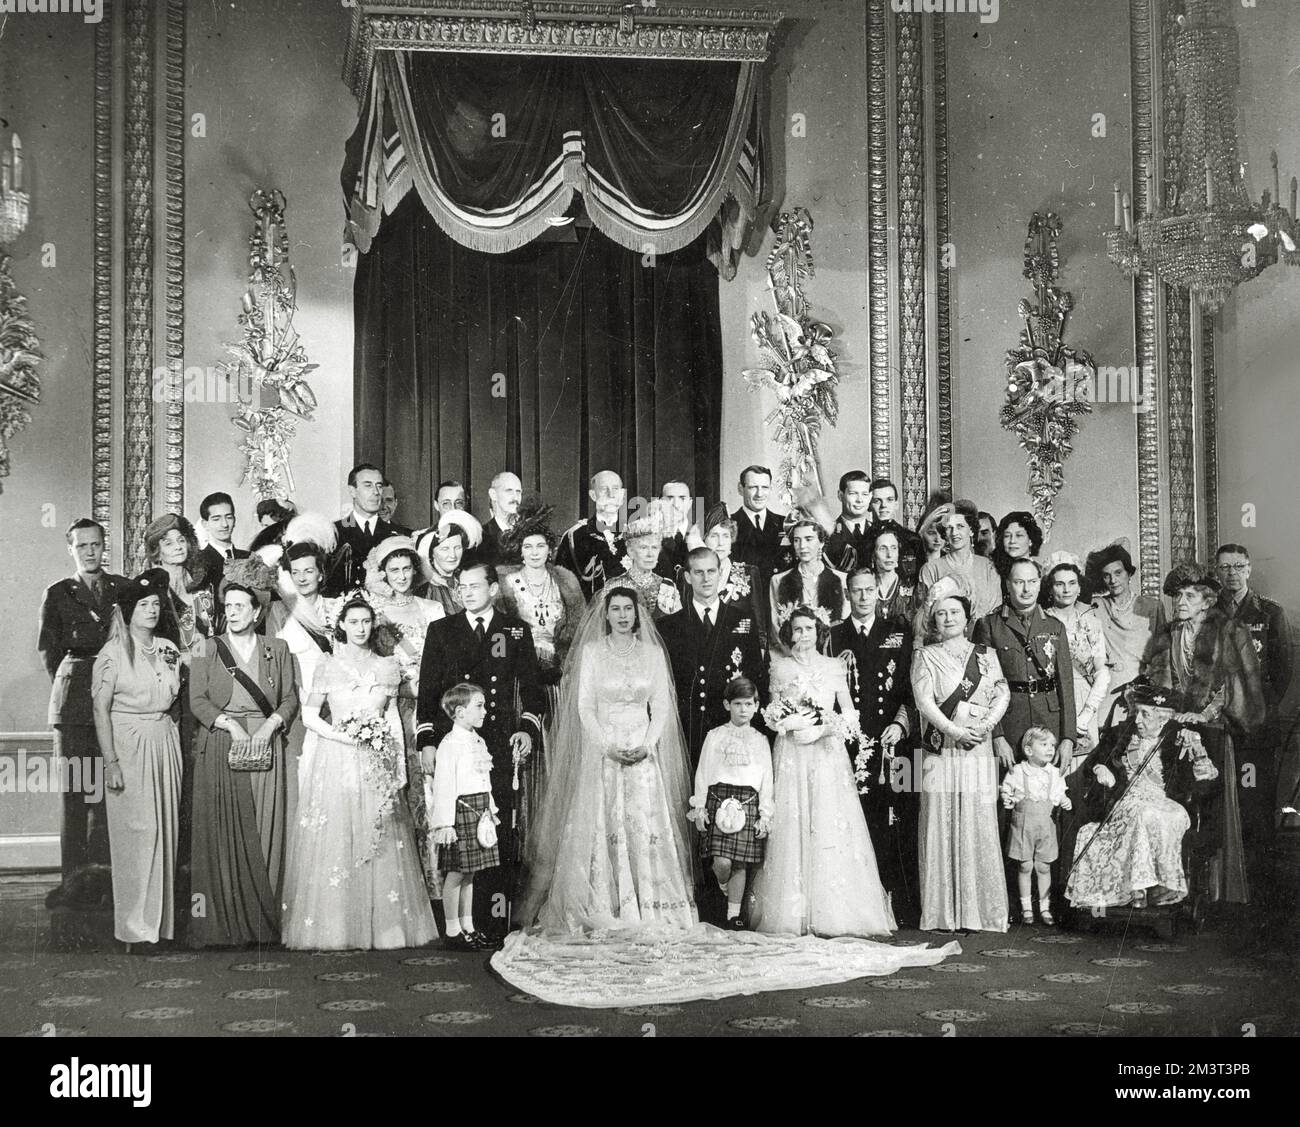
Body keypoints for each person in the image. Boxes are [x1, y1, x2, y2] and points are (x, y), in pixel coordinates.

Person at [518, 587, 698, 932]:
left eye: (627, 609)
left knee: (642, 825)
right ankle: (607, 903)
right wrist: (605, 746)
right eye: (615, 609)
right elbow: (585, 705)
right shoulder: (592, 652)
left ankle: (649, 905)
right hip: (604, 754)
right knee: (604, 823)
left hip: (643, 754)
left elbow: (660, 705)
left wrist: (648, 744)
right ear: (606, 614)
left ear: (637, 613)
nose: (622, 615)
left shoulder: (653, 654)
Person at [281, 593, 437, 950]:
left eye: (366, 621)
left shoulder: (387, 666)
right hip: (337, 759)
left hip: (377, 759)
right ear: (341, 626)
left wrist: (397, 765)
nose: (361, 628)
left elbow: (394, 719)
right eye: (353, 622)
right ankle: (335, 928)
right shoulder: (327, 664)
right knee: (337, 837)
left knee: (378, 835)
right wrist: (343, 737)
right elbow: (309, 716)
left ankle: (384, 929)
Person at [749, 607, 896, 937]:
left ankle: (834, 911)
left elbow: (850, 717)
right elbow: (772, 713)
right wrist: (788, 724)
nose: (803, 635)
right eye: (797, 629)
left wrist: (821, 730)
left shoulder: (833, 667)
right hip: (791, 755)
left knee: (829, 823)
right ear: (789, 633)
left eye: (809, 629)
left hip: (826, 755)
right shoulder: (780, 667)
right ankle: (792, 911)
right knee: (792, 824)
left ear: (820, 633)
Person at [415, 562, 546, 928]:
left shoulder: (515, 631)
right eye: (462, 587)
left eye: (475, 586)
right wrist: (427, 741)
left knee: (496, 831)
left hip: (497, 747)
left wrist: (526, 730)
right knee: (459, 831)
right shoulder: (442, 630)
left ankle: (494, 919)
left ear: (493, 589)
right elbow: (428, 694)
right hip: (455, 746)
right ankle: (458, 923)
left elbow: (533, 692)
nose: (467, 592)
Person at [187, 561, 298, 947]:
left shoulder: (277, 648)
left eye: (239, 606)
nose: (231, 613)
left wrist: (269, 728)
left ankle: (264, 922)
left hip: (268, 745)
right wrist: (231, 726)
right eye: (227, 606)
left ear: (256, 611)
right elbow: (197, 700)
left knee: (268, 828)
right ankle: (225, 926)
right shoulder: (206, 647)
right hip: (222, 744)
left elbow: (289, 699)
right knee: (221, 835)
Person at [1145, 562, 1264, 905]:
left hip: (1212, 729)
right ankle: (1174, 884)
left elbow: (1233, 686)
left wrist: (1201, 714)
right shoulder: (1169, 633)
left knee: (1211, 807)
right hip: (1175, 730)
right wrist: (1172, 715)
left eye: (1189, 595)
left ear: (1207, 600)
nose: (1181, 600)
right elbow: (1160, 681)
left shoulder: (1229, 630)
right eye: (1178, 595)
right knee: (1178, 804)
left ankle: (1212, 891)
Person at [911, 576, 1010, 933]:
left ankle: (977, 911)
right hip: (943, 750)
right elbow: (924, 703)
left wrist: (983, 729)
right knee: (941, 821)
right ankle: (944, 913)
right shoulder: (924, 656)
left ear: (967, 617)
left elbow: (1002, 693)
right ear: (933, 620)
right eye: (941, 613)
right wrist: (955, 732)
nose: (949, 618)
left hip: (977, 748)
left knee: (976, 821)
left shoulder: (986, 655)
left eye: (955, 612)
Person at [92, 570, 184, 948]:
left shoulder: (168, 648)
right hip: (128, 744)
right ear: (127, 610)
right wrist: (110, 761)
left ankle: (160, 927)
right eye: (143, 605)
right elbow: (100, 710)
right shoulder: (112, 653)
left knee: (166, 831)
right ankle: (133, 928)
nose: (151, 610)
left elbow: (176, 700)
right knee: (137, 835)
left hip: (166, 740)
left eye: (156, 605)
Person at [38, 519, 126, 909]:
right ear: (70, 549)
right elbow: (50, 653)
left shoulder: (120, 589)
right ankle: (73, 886)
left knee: (108, 798)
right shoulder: (58, 594)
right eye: (82, 546)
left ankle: (104, 885)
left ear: (104, 546)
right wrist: (79, 685)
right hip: (74, 708)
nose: (90, 551)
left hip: (114, 704)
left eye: (96, 544)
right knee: (76, 797)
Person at [1065, 682, 1206, 911]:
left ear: (1162, 718)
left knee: (1167, 815)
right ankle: (1137, 889)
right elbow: (1096, 764)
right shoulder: (1120, 736)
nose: (1137, 719)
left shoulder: (1177, 738)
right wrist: (1103, 770)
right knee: (1143, 814)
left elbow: (1206, 779)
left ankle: (1162, 886)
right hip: (1126, 800)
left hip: (1165, 802)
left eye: (1145, 714)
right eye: (1137, 712)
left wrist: (1196, 748)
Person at [829, 570, 918, 923]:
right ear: (847, 594)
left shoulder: (899, 632)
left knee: (903, 818)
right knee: (860, 820)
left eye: (870, 590)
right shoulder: (835, 636)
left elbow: (912, 687)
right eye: (857, 591)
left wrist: (901, 723)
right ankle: (864, 905)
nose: (864, 597)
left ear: (877, 594)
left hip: (898, 742)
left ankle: (904, 903)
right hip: (853, 745)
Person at [365, 535, 446, 895]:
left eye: (406, 568)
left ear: (416, 570)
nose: (400, 576)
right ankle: (402, 889)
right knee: (399, 788)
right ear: (382, 573)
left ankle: (436, 885)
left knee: (432, 790)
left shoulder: (432, 609)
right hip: (394, 709)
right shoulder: (374, 612)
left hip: (428, 705)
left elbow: (445, 659)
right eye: (393, 570)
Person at [1215, 542, 1293, 911]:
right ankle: (1229, 894)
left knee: (1257, 808)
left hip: (1257, 733)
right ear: (1218, 572)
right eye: (1225, 567)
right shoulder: (1210, 613)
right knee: (1225, 809)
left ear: (1248, 570)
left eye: (1238, 566)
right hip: (1221, 728)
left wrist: (1256, 711)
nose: (1231, 573)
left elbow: (1282, 671)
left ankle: (1261, 895)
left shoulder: (1269, 613)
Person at [658, 546, 768, 768]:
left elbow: (757, 676)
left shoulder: (742, 620)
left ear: (720, 574)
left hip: (729, 724)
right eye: (699, 572)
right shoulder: (669, 626)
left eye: (711, 571)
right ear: (688, 577)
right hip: (688, 728)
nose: (706, 579)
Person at [973, 559, 1076, 772]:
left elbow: (1066, 687)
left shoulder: (1055, 627)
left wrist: (1067, 738)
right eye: (1019, 582)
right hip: (1009, 722)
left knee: (1048, 796)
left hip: (1049, 722)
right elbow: (982, 689)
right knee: (1008, 793)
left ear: (1040, 584)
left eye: (1032, 581)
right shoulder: (989, 626)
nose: (1027, 589)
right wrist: (997, 736)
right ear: (1008, 584)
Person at [687, 676, 773, 930]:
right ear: (727, 705)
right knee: (723, 862)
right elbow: (702, 773)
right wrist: (700, 807)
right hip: (718, 800)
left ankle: (733, 915)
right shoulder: (715, 736)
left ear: (756, 706)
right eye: (737, 704)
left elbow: (766, 778)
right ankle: (723, 886)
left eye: (748, 704)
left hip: (749, 802)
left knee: (740, 863)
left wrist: (765, 814)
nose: (743, 710)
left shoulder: (760, 740)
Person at [425, 683, 501, 952]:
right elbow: (444, 786)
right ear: (459, 712)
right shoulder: (449, 744)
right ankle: (452, 930)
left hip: (479, 810)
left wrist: (490, 809)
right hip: (460, 814)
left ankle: (468, 926)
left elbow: (484, 778)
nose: (485, 710)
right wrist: (445, 823)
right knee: (456, 873)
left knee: (470, 874)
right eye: (479, 706)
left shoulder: (477, 740)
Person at [1085, 540, 1166, 724]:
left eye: (1118, 573)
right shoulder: (1096, 606)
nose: (1113, 580)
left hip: (1142, 689)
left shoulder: (1152, 607)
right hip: (1107, 691)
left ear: (1129, 573)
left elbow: (1162, 657)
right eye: (1107, 576)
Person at [1042, 554, 1110, 764]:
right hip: (1050, 697)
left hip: (1083, 698)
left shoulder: (1091, 623)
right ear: (1050, 588)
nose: (1066, 590)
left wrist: (1085, 715)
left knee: (1082, 770)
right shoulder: (1041, 620)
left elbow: (1102, 672)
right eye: (1060, 584)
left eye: (1072, 583)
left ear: (1080, 588)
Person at [1001, 727, 1070, 925]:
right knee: (1025, 865)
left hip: (1045, 827)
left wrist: (1065, 800)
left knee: (1043, 866)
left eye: (1052, 745)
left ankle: (1045, 907)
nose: (1050, 749)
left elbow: (1060, 794)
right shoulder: (1018, 771)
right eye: (1044, 744)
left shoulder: (1055, 774)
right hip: (1023, 826)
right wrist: (1008, 798)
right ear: (1029, 751)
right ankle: (1026, 908)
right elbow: (1007, 791)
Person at [916, 500, 1002, 625]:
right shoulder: (931, 569)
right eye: (949, 528)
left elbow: (995, 612)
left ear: (971, 530)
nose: (954, 533)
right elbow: (925, 616)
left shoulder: (988, 567)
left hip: (984, 638)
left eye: (960, 526)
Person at [144, 512, 216, 656]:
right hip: (166, 669)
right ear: (157, 552)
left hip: (204, 665)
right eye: (168, 543)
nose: (178, 547)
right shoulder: (151, 591)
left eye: (181, 540)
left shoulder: (203, 586)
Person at [769, 518, 848, 647]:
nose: (802, 546)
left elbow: (843, 627)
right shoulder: (778, 580)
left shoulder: (841, 579)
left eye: (809, 539)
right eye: (796, 540)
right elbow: (776, 628)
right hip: (792, 657)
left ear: (821, 542)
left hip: (831, 655)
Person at [329, 463, 405, 594]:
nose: (375, 492)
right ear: (352, 490)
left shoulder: (399, 535)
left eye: (379, 486)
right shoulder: (333, 532)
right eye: (368, 485)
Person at [730, 465, 789, 627]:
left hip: (779, 610)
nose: (759, 494)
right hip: (743, 610)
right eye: (753, 487)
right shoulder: (728, 525)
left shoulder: (785, 524)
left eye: (764, 487)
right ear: (740, 489)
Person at [556, 469, 626, 599]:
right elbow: (562, 587)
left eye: (615, 489)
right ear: (593, 495)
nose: (611, 495)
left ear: (622, 495)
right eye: (604, 489)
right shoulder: (574, 537)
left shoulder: (635, 534)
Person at [611, 514, 683, 619]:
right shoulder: (614, 586)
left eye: (654, 547)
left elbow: (678, 627)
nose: (650, 554)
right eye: (643, 547)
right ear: (631, 551)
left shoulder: (668, 586)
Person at [413, 510, 482, 616]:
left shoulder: (466, 580)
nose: (453, 555)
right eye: (445, 549)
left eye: (457, 548)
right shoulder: (425, 590)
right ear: (431, 553)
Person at [867, 477, 925, 586]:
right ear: (869, 506)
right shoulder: (863, 540)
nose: (883, 506)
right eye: (877, 501)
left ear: (896, 504)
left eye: (889, 500)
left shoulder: (912, 539)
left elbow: (919, 581)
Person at [824, 470, 875, 574]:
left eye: (865, 494)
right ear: (840, 495)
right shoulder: (826, 535)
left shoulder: (877, 532)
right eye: (853, 494)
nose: (859, 500)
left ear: (870, 497)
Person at [196, 492, 248, 593]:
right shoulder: (198, 561)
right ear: (205, 524)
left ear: (234, 520)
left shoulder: (249, 558)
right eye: (216, 519)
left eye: (229, 517)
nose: (224, 524)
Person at [867, 526, 918, 626]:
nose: (889, 554)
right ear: (873, 555)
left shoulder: (912, 587)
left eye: (893, 548)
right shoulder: (865, 588)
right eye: (883, 548)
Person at [655, 480, 696, 583]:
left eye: (682, 498)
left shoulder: (702, 535)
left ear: (690, 503)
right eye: (669, 498)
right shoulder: (651, 536)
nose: (676, 505)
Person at [479, 470, 522, 565]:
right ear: (493, 495)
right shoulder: (480, 538)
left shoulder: (530, 533)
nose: (515, 497)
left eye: (518, 492)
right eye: (509, 491)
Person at [990, 510, 1043, 579]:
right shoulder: (993, 570)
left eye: (1019, 535)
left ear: (1030, 540)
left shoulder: (1042, 573)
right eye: (1007, 536)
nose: (1012, 541)